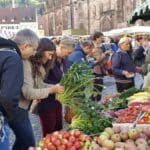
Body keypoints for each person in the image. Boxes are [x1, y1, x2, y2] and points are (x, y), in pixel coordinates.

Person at [29, 38, 64, 137]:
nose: (50, 58)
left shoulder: (49, 63)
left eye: (52, 55)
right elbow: (34, 87)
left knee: (57, 129)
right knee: (49, 133)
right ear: (40, 51)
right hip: (45, 103)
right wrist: (53, 88)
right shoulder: (32, 65)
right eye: (49, 54)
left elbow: (42, 83)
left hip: (55, 100)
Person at [0, 37, 23, 150]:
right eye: (33, 48)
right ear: (24, 47)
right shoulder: (12, 57)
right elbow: (8, 97)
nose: (34, 52)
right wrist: (10, 116)